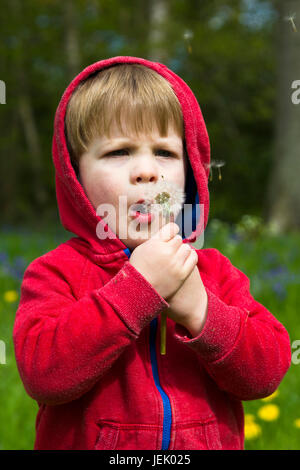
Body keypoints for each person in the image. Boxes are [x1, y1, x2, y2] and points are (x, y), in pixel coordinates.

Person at [13, 56, 291, 450]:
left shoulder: (212, 271)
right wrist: (136, 289)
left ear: (190, 171)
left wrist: (201, 311)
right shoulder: (56, 273)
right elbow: (44, 375)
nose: (146, 171)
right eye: (118, 152)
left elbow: (265, 374)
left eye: (164, 153)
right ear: (75, 175)